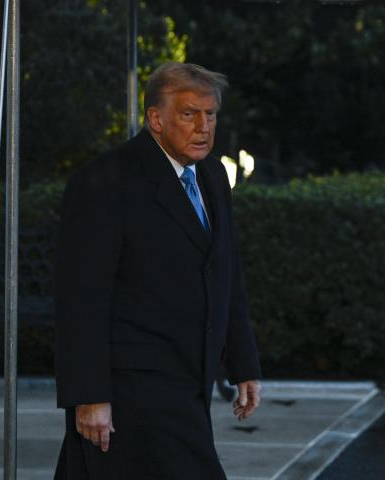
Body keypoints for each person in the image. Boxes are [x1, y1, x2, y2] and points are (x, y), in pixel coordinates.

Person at [53, 62, 262, 480]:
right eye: (189, 114)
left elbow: (225, 274)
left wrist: (244, 363)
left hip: (190, 378)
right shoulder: (106, 180)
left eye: (211, 114)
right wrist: (89, 395)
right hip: (133, 385)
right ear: (156, 119)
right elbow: (82, 296)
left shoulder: (215, 176)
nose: (204, 126)